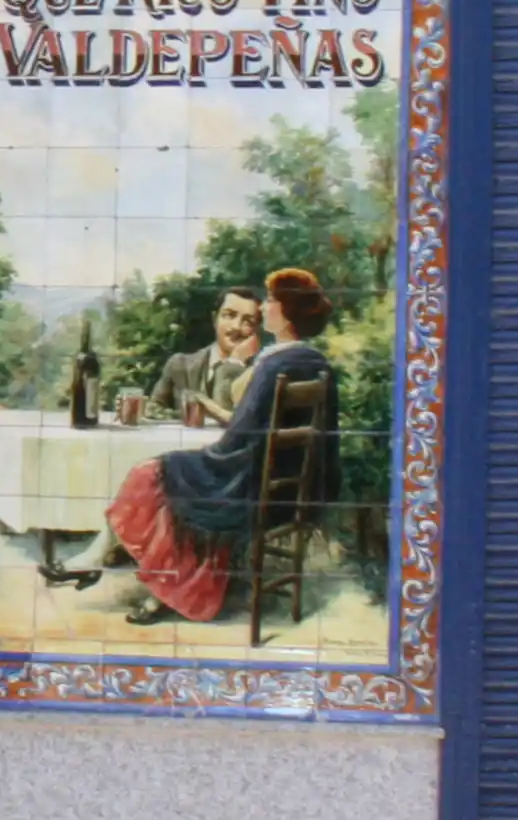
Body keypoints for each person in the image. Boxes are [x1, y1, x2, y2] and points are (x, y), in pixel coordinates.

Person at [47, 266, 336, 627]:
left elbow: (238, 436)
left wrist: (203, 460)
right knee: (171, 478)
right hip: (283, 488)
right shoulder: (311, 361)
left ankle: (109, 564)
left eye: (273, 300)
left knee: (151, 474)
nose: (265, 307)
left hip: (248, 485)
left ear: (287, 311)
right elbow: (252, 423)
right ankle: (145, 581)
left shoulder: (275, 363)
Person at [149, 289, 263, 427]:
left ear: (256, 330)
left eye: (248, 322)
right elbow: (152, 410)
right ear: (215, 319)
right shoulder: (179, 365)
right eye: (229, 315)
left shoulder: (260, 372)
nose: (236, 327)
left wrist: (233, 363)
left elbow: (236, 424)